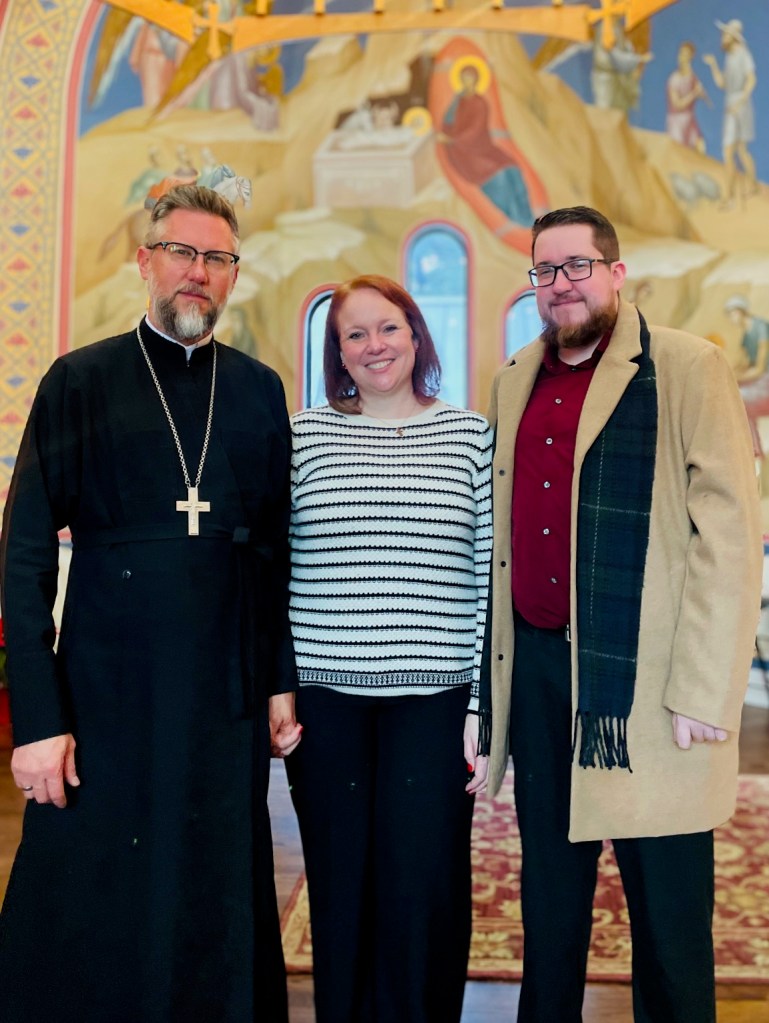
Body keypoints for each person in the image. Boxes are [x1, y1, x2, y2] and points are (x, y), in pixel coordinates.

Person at [0, 185, 301, 1022]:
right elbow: (24, 554)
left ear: (233, 273)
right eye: (181, 252)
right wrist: (37, 719)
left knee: (211, 878)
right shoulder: (80, 380)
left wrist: (279, 678)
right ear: (146, 260)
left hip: (222, 696)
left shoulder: (257, 389)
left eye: (216, 258)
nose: (197, 272)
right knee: (95, 882)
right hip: (105, 691)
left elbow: (275, 552)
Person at [483, 206, 763, 1023]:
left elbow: (728, 536)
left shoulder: (685, 365)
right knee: (548, 903)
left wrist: (704, 688)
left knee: (667, 914)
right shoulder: (512, 379)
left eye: (577, 265)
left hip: (646, 679)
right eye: (545, 270)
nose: (560, 283)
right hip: (539, 672)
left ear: (614, 272)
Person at [286, 274, 492, 1023]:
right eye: (355, 334)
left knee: (424, 887)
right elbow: (274, 568)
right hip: (325, 701)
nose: (374, 345)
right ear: (337, 352)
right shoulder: (303, 437)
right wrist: (279, 689)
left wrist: (480, 705)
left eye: (388, 328)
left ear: (415, 335)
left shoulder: (471, 437)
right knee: (339, 884)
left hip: (435, 702)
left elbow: (488, 577)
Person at [703, 19, 757, 208]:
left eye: (725, 34)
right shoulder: (729, 57)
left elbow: (751, 80)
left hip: (741, 105)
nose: (722, 37)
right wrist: (713, 65)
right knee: (730, 150)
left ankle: (747, 188)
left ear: (733, 37)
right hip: (731, 105)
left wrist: (740, 102)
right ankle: (732, 194)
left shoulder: (743, 54)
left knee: (739, 150)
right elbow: (722, 84)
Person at [726, 293, 769, 459]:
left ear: (740, 311)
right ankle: (752, 448)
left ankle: (754, 449)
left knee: (740, 398)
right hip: (759, 379)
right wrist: (730, 373)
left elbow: (759, 368)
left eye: (732, 314)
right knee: (730, 395)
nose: (731, 318)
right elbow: (743, 362)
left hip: (766, 379)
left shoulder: (760, 327)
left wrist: (736, 378)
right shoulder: (746, 334)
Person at [665, 41, 707, 152]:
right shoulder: (674, 79)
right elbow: (677, 104)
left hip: (689, 120)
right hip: (677, 122)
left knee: (700, 146)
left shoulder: (692, 77)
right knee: (679, 152)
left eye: (686, 54)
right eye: (681, 53)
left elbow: (703, 95)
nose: (682, 57)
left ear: (690, 57)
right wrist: (694, 94)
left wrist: (701, 93)